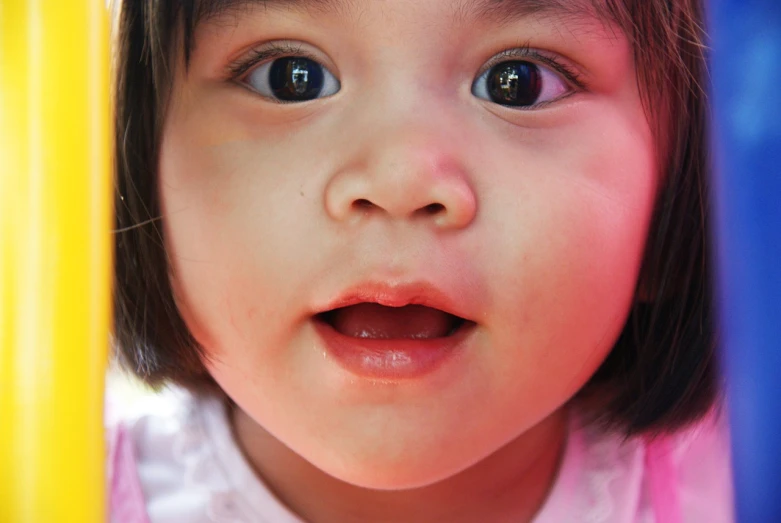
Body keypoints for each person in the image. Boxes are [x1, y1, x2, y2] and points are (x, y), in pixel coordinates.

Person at [108, 0, 734, 521]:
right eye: (289, 75)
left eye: (517, 82)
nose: (399, 180)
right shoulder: (47, 489)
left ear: (686, 185)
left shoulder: (740, 488)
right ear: (137, 163)